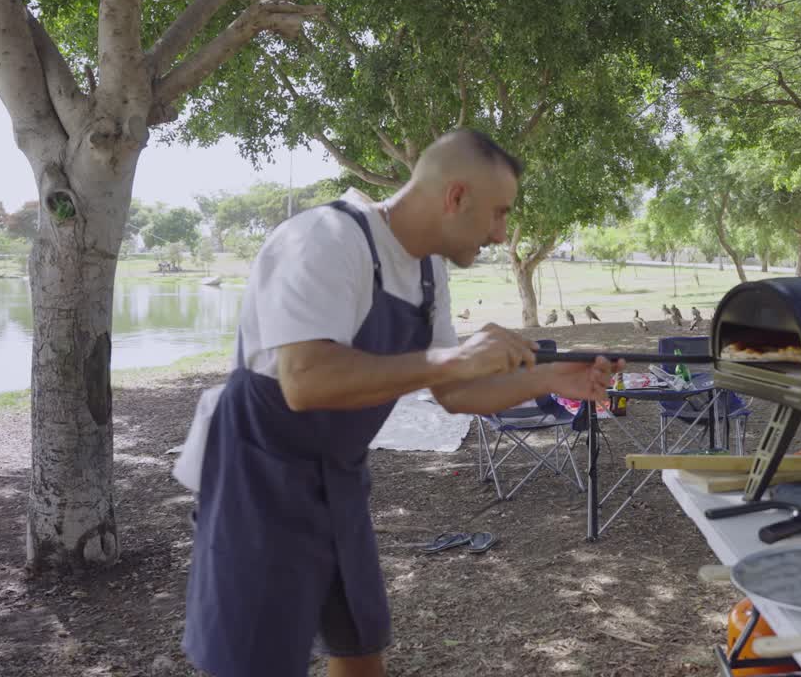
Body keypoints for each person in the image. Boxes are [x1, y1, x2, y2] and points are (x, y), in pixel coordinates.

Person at [180, 129, 622, 677]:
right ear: (456, 196)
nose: (500, 233)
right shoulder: (324, 238)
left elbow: (455, 393)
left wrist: (553, 379)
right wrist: (453, 359)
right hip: (258, 477)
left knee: (360, 646)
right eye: (499, 213)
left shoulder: (428, 271)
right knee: (256, 660)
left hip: (339, 478)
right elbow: (304, 380)